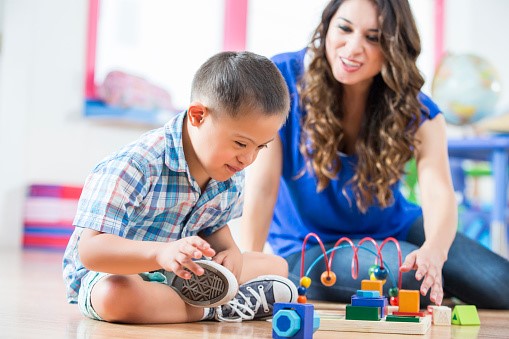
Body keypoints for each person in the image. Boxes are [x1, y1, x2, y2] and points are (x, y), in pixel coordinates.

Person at [241, 0, 509, 309]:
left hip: (394, 226)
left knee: (501, 285)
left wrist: (434, 251)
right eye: (344, 28)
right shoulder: (282, 79)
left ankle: (436, 281)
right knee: (411, 280)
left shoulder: (416, 109)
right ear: (327, 25)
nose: (353, 48)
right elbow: (262, 188)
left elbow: (438, 191)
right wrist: (252, 266)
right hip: (308, 245)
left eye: (374, 37)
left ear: (394, 47)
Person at [63, 51, 298, 324]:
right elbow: (91, 251)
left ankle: (198, 301)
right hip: (117, 274)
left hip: (184, 273)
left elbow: (214, 227)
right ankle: (216, 310)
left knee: (277, 266)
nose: (248, 158)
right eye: (241, 144)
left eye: (261, 146)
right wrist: (160, 253)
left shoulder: (230, 172)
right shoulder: (137, 164)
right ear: (198, 116)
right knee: (115, 297)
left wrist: (231, 253)